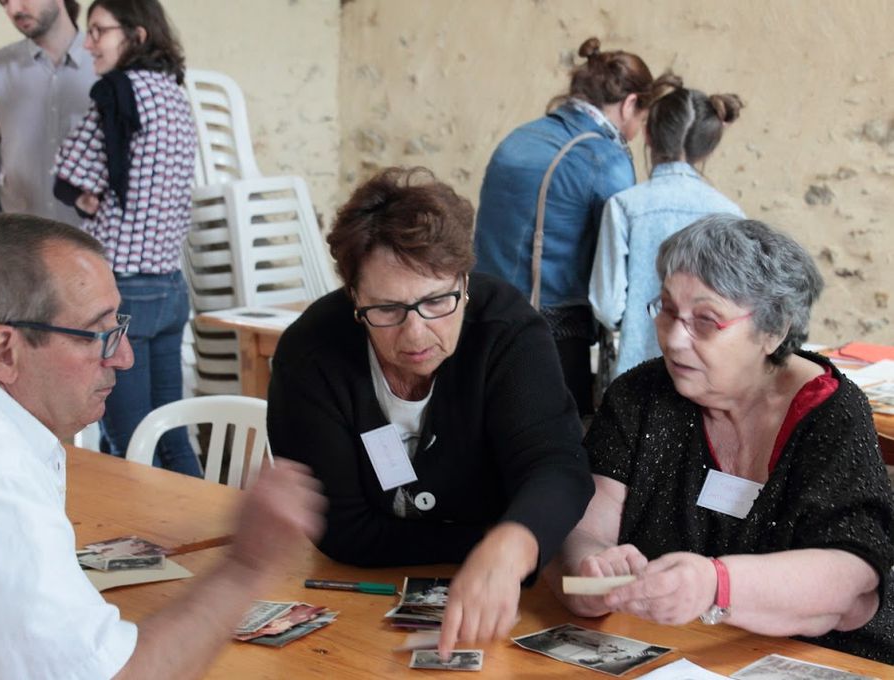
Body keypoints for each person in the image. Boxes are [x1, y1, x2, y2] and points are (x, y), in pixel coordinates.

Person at [0, 214, 324, 679]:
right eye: (98, 334)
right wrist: (245, 566)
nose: (124, 356)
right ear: (4, 350)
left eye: (119, 323)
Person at [267, 167, 594, 659]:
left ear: (464, 281)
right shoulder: (311, 356)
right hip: (360, 606)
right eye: (386, 310)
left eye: (438, 301)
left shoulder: (508, 332)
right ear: (353, 295)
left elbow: (559, 468)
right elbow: (342, 530)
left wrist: (511, 546)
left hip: (510, 608)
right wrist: (484, 538)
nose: (416, 335)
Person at [549, 215, 894, 663]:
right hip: (670, 652)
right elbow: (582, 529)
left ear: (774, 330)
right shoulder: (641, 396)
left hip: (818, 658)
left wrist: (716, 585)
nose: (674, 339)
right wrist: (587, 576)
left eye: (707, 321)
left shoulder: (829, 412)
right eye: (668, 310)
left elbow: (852, 583)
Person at [474, 37, 661, 416]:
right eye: (642, 117)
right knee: (561, 445)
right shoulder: (604, 158)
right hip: (551, 337)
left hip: (481, 317)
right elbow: (623, 254)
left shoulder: (519, 136)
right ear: (629, 105)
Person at [53, 0, 198, 475]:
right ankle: (198, 538)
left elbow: (68, 176)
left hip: (122, 292)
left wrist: (86, 197)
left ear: (135, 35)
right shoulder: (175, 93)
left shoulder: (116, 92)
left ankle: (147, 549)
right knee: (172, 436)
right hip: (171, 286)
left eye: (99, 31)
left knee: (132, 446)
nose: (88, 42)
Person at [590, 75, 744, 378]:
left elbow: (607, 307)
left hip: (638, 373)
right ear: (708, 147)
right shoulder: (731, 215)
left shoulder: (625, 206)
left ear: (647, 134)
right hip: (706, 375)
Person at [0, 0, 96, 224]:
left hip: (99, 250)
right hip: (22, 251)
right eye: (4, 2)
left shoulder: (112, 66)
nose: (14, 10)